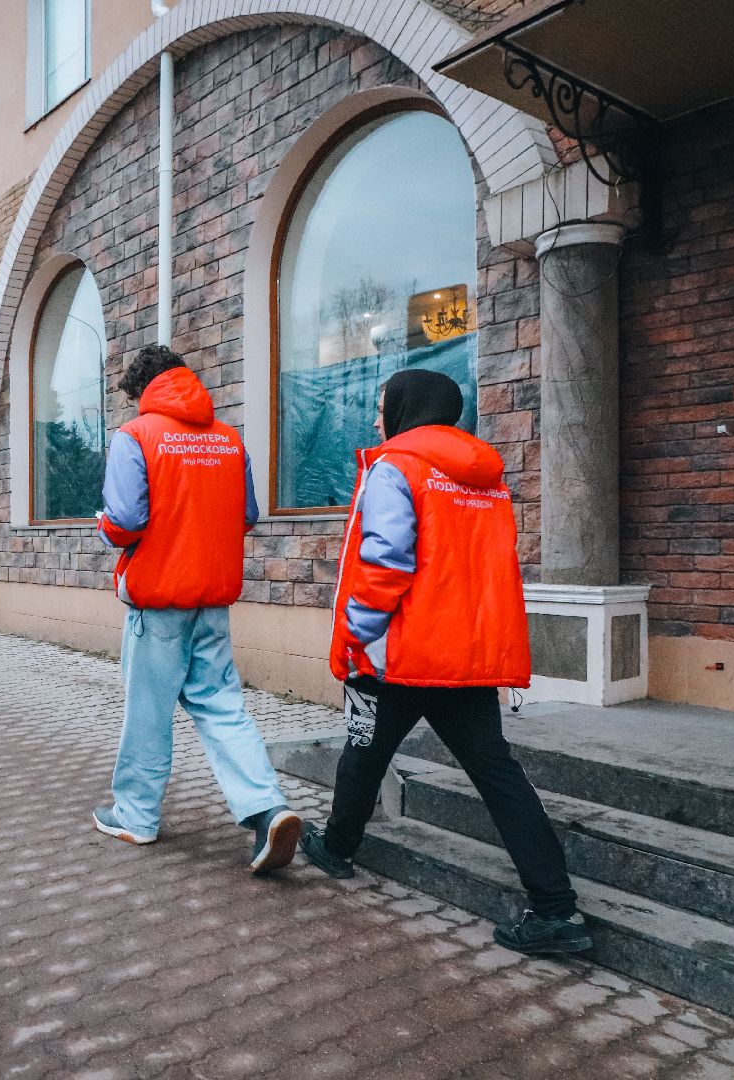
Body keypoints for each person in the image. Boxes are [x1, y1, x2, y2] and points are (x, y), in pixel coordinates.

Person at [300, 369, 590, 955]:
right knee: (500, 777)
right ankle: (557, 911)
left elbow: (384, 563)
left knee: (362, 752)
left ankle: (336, 847)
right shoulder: (484, 475)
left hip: (401, 655)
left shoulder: (395, 466)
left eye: (383, 407)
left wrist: (357, 639)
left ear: (406, 409)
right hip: (467, 654)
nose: (377, 419)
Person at [93, 344, 301, 874]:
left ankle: (136, 816)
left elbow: (124, 521)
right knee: (222, 706)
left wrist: (104, 524)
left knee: (149, 712)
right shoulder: (229, 440)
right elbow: (246, 516)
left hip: (159, 600)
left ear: (142, 392)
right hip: (213, 600)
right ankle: (267, 810)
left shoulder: (135, 437)